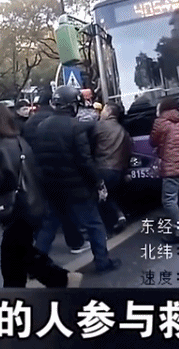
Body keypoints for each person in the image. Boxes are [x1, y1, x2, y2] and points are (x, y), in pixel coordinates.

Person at [0, 103, 82, 288]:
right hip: (31, 203)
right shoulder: (19, 141)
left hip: (14, 209)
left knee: (13, 260)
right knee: (21, 255)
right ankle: (62, 280)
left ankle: (62, 280)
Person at [31, 85, 121, 274]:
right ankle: (102, 262)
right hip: (77, 187)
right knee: (94, 224)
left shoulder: (42, 126)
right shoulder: (75, 126)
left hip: (51, 186)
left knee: (49, 227)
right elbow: (84, 160)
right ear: (72, 105)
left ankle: (34, 265)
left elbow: (38, 159)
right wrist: (98, 182)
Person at [23, 88, 86, 253]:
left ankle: (40, 248)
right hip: (65, 170)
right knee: (65, 211)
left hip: (41, 171)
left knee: (52, 212)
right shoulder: (58, 120)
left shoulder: (30, 123)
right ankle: (75, 242)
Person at [150, 97, 179, 243]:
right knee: (178, 193)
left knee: (168, 199)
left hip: (171, 164)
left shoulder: (161, 121)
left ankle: (177, 231)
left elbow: (153, 141)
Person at [94, 102, 131, 234]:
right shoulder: (124, 131)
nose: (101, 113)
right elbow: (128, 152)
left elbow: (89, 144)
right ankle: (120, 216)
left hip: (103, 168)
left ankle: (104, 229)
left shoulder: (99, 126)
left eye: (103, 110)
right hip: (119, 171)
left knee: (100, 198)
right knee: (110, 196)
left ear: (109, 112)